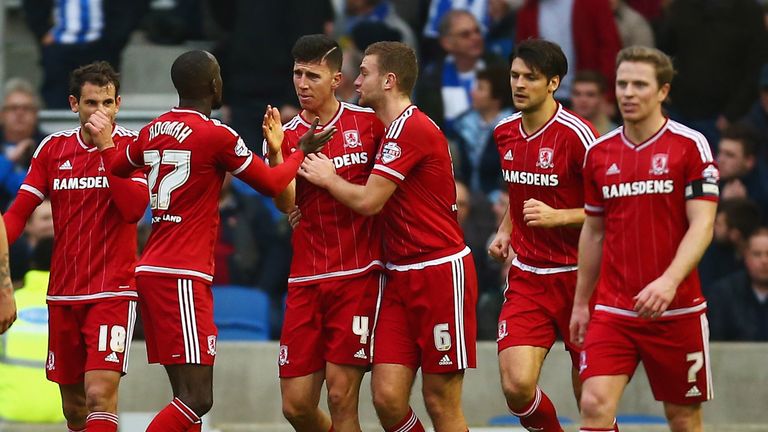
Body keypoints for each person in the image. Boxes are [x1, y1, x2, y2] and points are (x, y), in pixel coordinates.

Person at [89, 50, 333, 432]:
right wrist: (298, 150)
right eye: (218, 75)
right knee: (198, 398)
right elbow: (272, 185)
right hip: (182, 274)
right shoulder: (216, 134)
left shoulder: (152, 129)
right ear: (211, 85)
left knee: (185, 399)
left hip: (152, 268)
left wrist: (106, 144)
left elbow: (117, 166)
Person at [300, 41, 478, 432]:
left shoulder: (410, 129)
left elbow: (368, 201)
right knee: (387, 398)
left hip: (439, 272)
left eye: (364, 73)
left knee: (439, 399)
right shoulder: (383, 128)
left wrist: (327, 179)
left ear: (389, 80)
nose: (357, 80)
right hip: (398, 274)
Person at [571, 46, 719, 432]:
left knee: (683, 418)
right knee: (593, 403)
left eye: (639, 84)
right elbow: (594, 230)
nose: (628, 93)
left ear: (663, 91)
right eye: (622, 84)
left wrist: (668, 282)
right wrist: (581, 303)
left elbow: (703, 225)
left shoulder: (691, 146)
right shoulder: (599, 153)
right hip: (613, 310)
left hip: (677, 311)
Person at [2, 61, 149, 432]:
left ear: (119, 104)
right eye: (90, 103)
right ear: (73, 104)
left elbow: (133, 211)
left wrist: (106, 149)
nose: (99, 112)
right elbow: (18, 215)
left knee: (100, 393)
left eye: (106, 103)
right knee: (75, 408)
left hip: (112, 292)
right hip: (64, 294)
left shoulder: (132, 148)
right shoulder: (53, 149)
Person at [262, 34, 385, 432]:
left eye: (312, 75)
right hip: (305, 278)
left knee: (340, 396)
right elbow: (285, 203)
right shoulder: (283, 132)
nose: (302, 83)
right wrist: (278, 152)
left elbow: (387, 191)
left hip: (357, 274)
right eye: (297, 73)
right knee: (296, 406)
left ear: (336, 80)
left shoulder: (367, 124)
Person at [488, 39, 597, 432]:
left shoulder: (579, 136)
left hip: (582, 278)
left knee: (593, 402)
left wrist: (559, 216)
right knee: (517, 387)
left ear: (553, 83)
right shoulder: (504, 131)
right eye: (514, 75)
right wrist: (506, 230)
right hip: (529, 277)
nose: (519, 84)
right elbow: (520, 193)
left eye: (530, 78)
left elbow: (613, 210)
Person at [0, 236, 64, 424]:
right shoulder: (75, 311)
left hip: (8, 419)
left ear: (32, 263)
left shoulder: (8, 307)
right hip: (64, 420)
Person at [706, 227, 768, 341]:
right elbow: (716, 342)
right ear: (746, 257)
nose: (764, 261)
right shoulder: (723, 294)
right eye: (757, 254)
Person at [570, 70, 617, 136]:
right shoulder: (559, 130)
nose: (583, 100)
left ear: (602, 98)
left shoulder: (615, 134)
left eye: (590, 95)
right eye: (577, 94)